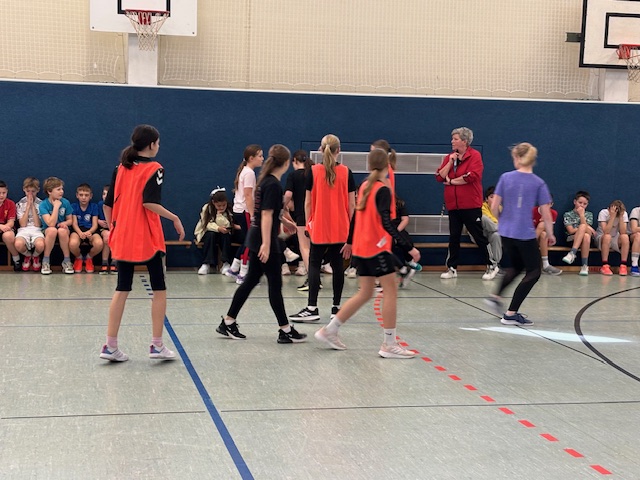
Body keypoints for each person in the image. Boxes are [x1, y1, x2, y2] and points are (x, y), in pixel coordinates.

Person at [314, 148, 421, 357]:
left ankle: (330, 330)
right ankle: (389, 344)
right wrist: (408, 247)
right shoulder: (382, 189)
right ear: (388, 166)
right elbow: (386, 222)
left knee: (365, 293)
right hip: (376, 248)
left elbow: (356, 217)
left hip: (362, 249)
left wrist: (350, 241)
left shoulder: (364, 186)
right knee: (390, 292)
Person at [100, 124, 185, 362]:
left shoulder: (120, 168)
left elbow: (108, 205)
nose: (159, 146)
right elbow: (150, 203)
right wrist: (175, 218)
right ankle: (157, 345)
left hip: (123, 237)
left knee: (122, 288)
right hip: (147, 238)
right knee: (159, 289)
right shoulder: (155, 169)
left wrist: (115, 228)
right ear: (151, 144)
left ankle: (110, 345)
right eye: (158, 142)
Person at [217, 144, 307, 344]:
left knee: (250, 281)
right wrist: (266, 244)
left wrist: (285, 222)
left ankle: (228, 322)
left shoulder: (265, 181)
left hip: (256, 238)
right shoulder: (272, 184)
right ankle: (285, 330)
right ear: (285, 163)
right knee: (275, 285)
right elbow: (265, 215)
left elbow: (269, 212)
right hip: (263, 240)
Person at [484, 142, 555, 326]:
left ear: (517, 158)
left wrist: (502, 221)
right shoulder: (538, 183)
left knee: (516, 266)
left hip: (506, 233)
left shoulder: (505, 178)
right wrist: (550, 233)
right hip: (524, 233)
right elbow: (546, 212)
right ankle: (510, 314)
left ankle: (495, 297)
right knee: (534, 271)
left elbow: (494, 206)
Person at [289, 134, 356, 323]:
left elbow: (308, 202)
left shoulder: (313, 171)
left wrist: (309, 222)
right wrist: (351, 228)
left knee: (314, 264)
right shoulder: (347, 172)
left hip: (319, 225)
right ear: (338, 150)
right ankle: (336, 308)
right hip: (341, 226)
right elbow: (352, 205)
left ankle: (312, 308)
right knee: (337, 266)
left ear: (321, 149)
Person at [435, 127, 495, 280]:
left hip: (470, 204)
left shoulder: (475, 156)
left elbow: (471, 177)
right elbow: (439, 176)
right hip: (453, 205)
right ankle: (452, 268)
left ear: (464, 141)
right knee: (454, 237)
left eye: (455, 139)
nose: (452, 141)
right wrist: (450, 162)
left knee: (478, 235)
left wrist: (451, 181)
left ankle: (492, 265)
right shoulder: (449, 157)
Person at [225, 145, 263, 284]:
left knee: (248, 240)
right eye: (260, 156)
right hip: (245, 211)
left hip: (240, 210)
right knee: (250, 242)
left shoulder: (246, 171)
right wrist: (252, 214)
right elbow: (248, 195)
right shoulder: (249, 173)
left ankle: (234, 268)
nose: (262, 159)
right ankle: (243, 274)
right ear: (251, 158)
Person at [284, 149, 313, 282]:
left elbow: (288, 194)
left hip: (302, 215)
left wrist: (282, 206)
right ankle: (315, 275)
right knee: (314, 248)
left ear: (294, 161)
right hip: (316, 215)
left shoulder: (293, 176)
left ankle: (312, 279)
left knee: (305, 248)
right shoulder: (313, 173)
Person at [194, 187, 237, 274]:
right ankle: (206, 263)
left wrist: (220, 216)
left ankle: (226, 263)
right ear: (213, 203)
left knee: (226, 236)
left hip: (223, 234)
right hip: (208, 233)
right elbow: (206, 224)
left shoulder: (229, 209)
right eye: (219, 206)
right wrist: (218, 228)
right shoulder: (206, 208)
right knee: (211, 234)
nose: (221, 207)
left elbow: (228, 224)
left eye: (223, 205)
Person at [38, 177, 74, 275]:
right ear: (49, 191)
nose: (61, 191)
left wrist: (65, 223)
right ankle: (45, 261)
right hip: (48, 230)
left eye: (62, 189)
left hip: (63, 229)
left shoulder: (65, 202)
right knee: (52, 230)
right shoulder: (43, 205)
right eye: (58, 189)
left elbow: (70, 220)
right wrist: (56, 207)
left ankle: (67, 261)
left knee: (61, 231)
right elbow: (50, 224)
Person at [70, 183, 104, 273]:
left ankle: (89, 258)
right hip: (77, 230)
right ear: (77, 195)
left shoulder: (94, 206)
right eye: (81, 195)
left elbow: (95, 224)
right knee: (73, 244)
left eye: (86, 195)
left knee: (99, 243)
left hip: (91, 230)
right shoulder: (73, 206)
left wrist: (90, 232)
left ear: (91, 196)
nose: (83, 197)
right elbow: (74, 223)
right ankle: (79, 258)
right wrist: (80, 233)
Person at [562, 190, 596, 276]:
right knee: (583, 228)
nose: (582, 205)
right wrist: (585, 227)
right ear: (575, 202)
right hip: (571, 239)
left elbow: (588, 231)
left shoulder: (589, 214)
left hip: (586, 240)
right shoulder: (568, 214)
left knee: (586, 235)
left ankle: (573, 254)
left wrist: (581, 215)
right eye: (580, 202)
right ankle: (584, 264)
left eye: (585, 204)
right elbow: (570, 231)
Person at [14, 177, 44, 272]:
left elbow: (38, 224)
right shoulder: (20, 204)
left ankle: (35, 256)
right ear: (24, 190)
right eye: (28, 191)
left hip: (37, 230)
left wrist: (33, 206)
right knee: (18, 244)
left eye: (33, 191)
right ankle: (28, 255)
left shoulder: (41, 204)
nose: (30, 194)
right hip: (24, 229)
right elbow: (22, 224)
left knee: (40, 245)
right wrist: (27, 207)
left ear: (38, 190)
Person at [595, 200, 629, 276]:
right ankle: (605, 265)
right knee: (607, 236)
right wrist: (612, 217)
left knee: (625, 237)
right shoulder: (603, 213)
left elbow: (623, 232)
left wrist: (621, 217)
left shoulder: (623, 214)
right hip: (602, 237)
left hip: (615, 237)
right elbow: (606, 231)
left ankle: (623, 265)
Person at [532, 196, 562, 275]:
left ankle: (545, 265)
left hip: (543, 239)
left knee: (544, 232)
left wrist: (545, 219)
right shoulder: (533, 211)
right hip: (530, 235)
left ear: (552, 204)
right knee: (542, 228)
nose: (547, 206)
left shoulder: (553, 213)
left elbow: (549, 231)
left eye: (549, 204)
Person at [477, 186, 501, 278]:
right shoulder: (482, 207)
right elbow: (491, 221)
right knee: (484, 219)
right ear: (486, 199)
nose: (494, 200)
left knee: (496, 235)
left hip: (492, 233)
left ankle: (495, 265)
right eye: (491, 197)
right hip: (481, 235)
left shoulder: (501, 209)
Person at [0, 180, 20, 271]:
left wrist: (5, 227)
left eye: (4, 193)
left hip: (6, 228)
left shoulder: (10, 204)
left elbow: (11, 222)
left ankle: (16, 260)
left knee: (8, 236)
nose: (1, 195)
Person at [97, 184, 117, 274]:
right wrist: (98, 221)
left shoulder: (117, 205)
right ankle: (104, 262)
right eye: (104, 194)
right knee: (107, 237)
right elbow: (94, 217)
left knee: (115, 237)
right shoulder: (100, 204)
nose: (105, 196)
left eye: (107, 194)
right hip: (103, 229)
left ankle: (114, 262)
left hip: (115, 228)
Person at [627, 205, 640, 276]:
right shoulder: (636, 211)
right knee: (638, 235)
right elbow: (634, 229)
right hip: (632, 236)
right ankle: (634, 265)